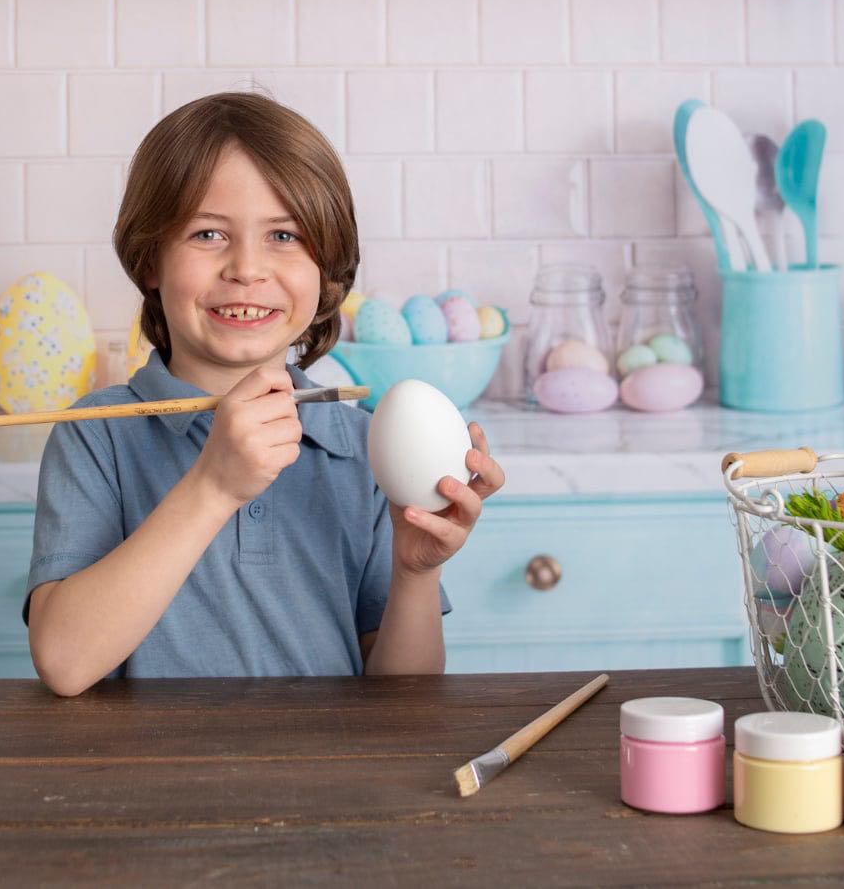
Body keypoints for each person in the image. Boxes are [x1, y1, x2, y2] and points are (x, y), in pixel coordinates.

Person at [25, 92, 505, 696]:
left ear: (326, 266)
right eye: (207, 233)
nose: (247, 269)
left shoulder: (364, 448)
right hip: (148, 785)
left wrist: (414, 575)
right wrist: (215, 484)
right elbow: (64, 663)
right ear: (151, 260)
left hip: (325, 782)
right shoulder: (98, 434)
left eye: (283, 235)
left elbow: (402, 700)